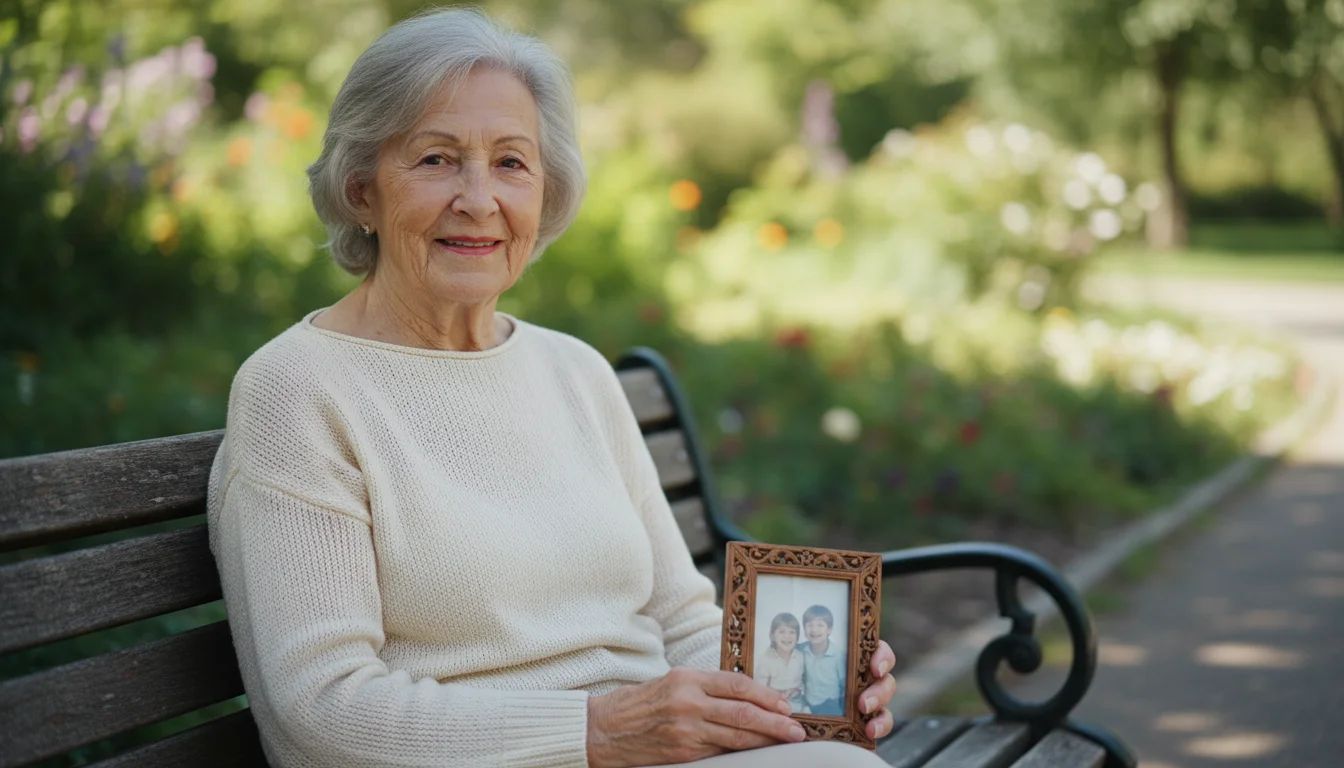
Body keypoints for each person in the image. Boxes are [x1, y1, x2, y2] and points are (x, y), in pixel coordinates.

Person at [206, 8, 897, 767]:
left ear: (545, 189)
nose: (478, 199)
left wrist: (806, 691)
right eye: (436, 159)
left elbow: (682, 621)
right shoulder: (299, 391)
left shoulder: (576, 372)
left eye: (511, 163)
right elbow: (324, 710)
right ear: (361, 188)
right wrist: (598, 733)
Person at [753, 613, 806, 713]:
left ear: (797, 637)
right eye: (781, 632)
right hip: (774, 702)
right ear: (772, 635)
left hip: (797, 701)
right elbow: (760, 690)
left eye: (792, 632)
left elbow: (803, 682)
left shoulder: (800, 656)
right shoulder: (766, 659)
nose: (787, 636)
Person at [800, 605, 847, 717]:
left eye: (820, 625)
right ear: (804, 629)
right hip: (807, 708)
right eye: (809, 625)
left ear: (829, 629)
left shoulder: (839, 656)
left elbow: (845, 688)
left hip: (832, 708)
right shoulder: (799, 650)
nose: (814, 630)